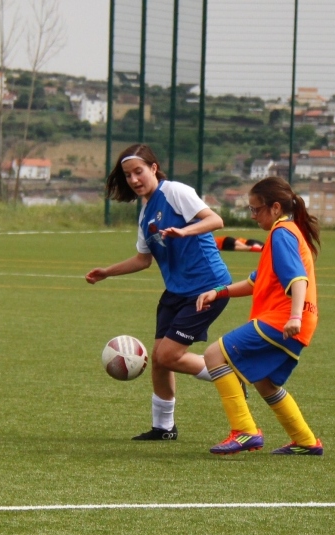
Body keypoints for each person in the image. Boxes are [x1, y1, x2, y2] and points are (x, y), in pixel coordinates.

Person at [85, 144, 233, 441]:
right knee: (159, 358)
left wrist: (184, 231)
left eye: (138, 171)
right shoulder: (145, 214)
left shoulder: (175, 191)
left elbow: (215, 220)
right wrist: (107, 272)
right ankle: (163, 428)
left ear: (154, 168)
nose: (134, 179)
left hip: (207, 287)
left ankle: (230, 375)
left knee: (167, 356)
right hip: (176, 292)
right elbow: (143, 259)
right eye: (128, 175)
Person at [196, 176, 323, 456]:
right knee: (266, 383)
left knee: (214, 355)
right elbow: (256, 282)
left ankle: (244, 431)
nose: (253, 216)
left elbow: (298, 280)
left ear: (275, 208)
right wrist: (219, 292)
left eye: (256, 209)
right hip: (296, 321)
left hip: (283, 319)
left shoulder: (281, 233)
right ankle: (306, 441)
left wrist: (294, 317)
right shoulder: (286, 233)